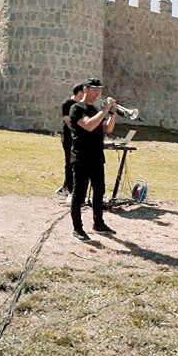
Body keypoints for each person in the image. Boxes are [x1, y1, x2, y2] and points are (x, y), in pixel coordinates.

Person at [68, 77, 118, 241]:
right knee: (79, 194)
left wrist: (113, 114)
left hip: (97, 156)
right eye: (95, 89)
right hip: (81, 157)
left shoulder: (96, 109)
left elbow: (108, 129)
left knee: (99, 191)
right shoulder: (76, 108)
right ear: (86, 89)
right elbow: (88, 125)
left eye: (99, 90)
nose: (98, 93)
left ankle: (99, 223)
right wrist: (104, 111)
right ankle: (77, 228)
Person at [57, 83, 86, 197]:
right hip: (69, 138)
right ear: (79, 93)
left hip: (79, 139)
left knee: (76, 163)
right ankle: (69, 189)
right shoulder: (67, 104)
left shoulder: (81, 105)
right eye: (84, 92)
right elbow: (68, 121)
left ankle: (66, 186)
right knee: (69, 163)